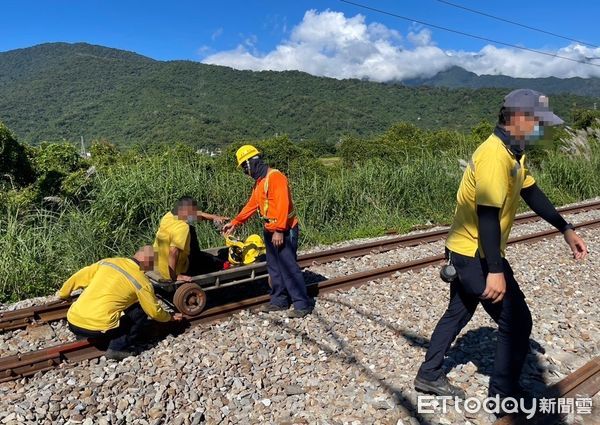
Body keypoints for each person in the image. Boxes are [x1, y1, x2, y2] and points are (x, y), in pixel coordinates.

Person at [414, 89, 589, 411]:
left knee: (458, 312)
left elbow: (532, 193)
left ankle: (428, 374)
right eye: (538, 122)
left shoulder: (514, 152)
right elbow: (487, 214)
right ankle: (503, 395)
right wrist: (495, 270)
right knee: (517, 322)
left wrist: (565, 228)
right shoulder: (494, 155)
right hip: (475, 254)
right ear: (519, 119)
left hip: (471, 251)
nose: (542, 129)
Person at [222, 145, 312, 318]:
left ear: (251, 162)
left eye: (244, 167)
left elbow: (283, 205)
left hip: (284, 230)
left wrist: (279, 230)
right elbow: (252, 204)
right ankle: (279, 301)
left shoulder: (275, 177)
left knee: (288, 267)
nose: (244, 171)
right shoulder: (261, 182)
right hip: (269, 229)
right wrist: (235, 222)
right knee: (275, 267)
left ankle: (302, 303)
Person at [58, 246, 183, 360]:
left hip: (73, 321)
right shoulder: (141, 281)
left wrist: (64, 294)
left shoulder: (108, 262)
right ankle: (118, 348)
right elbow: (154, 312)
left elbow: (76, 278)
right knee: (140, 310)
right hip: (96, 329)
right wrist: (169, 317)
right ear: (148, 262)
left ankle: (83, 335)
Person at [153, 197, 229, 282]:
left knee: (191, 229)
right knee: (218, 262)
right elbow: (173, 252)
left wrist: (214, 217)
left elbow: (197, 215)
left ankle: (197, 256)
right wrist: (174, 276)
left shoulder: (168, 216)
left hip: (159, 265)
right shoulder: (182, 227)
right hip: (175, 270)